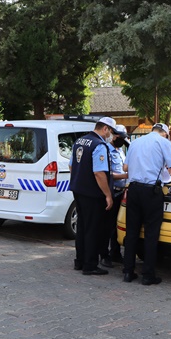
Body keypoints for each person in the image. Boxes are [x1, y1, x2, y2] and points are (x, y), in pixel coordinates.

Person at [123, 122, 171, 285]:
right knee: (150, 233)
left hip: (133, 190)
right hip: (151, 192)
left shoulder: (135, 142)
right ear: (165, 133)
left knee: (132, 232)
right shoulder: (164, 142)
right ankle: (148, 275)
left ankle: (128, 271)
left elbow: (125, 166)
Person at [69, 116, 125, 275]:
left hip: (78, 190)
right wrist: (108, 195)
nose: (111, 136)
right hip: (93, 194)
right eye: (111, 132)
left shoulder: (80, 141)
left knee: (82, 227)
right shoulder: (99, 145)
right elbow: (99, 173)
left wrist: (80, 180)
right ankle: (90, 265)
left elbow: (72, 167)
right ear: (105, 128)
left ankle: (79, 261)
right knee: (93, 229)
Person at [99, 124, 129, 268]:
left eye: (121, 137)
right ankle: (104, 254)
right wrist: (125, 175)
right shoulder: (106, 150)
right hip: (113, 191)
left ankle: (115, 253)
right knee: (107, 226)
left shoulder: (121, 151)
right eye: (117, 136)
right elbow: (107, 174)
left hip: (122, 192)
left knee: (118, 226)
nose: (119, 139)